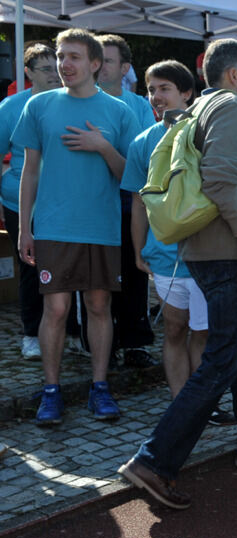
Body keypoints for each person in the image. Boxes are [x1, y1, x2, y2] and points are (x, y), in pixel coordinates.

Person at [119, 38, 237, 510]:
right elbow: (219, 180)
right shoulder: (231, 108)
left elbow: (216, 179)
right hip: (227, 254)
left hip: (209, 251)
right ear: (235, 74)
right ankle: (153, 462)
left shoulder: (202, 106)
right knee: (221, 360)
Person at [15, 28, 141, 426]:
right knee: (55, 308)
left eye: (72, 57)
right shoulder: (39, 106)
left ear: (95, 64)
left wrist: (102, 146)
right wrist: (24, 228)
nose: (63, 64)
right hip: (53, 226)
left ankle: (99, 387)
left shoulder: (119, 111)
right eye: (59, 56)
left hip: (101, 226)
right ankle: (51, 392)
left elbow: (131, 176)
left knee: (100, 306)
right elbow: (29, 172)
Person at [120, 59, 231, 426]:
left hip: (204, 257)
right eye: (151, 89)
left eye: (164, 88)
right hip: (164, 259)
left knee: (202, 334)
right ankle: (180, 405)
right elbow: (138, 201)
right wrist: (138, 251)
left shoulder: (206, 135)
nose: (156, 96)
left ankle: (203, 405)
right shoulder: (142, 142)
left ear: (187, 93)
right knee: (173, 329)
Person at [96, 34, 157, 369]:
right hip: (93, 209)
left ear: (125, 67)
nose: (100, 66)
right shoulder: (81, 101)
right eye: (98, 59)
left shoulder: (137, 106)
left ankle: (135, 342)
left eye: (107, 60)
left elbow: (146, 156)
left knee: (134, 275)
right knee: (99, 280)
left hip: (130, 205)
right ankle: (101, 344)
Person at [0, 43, 61, 361]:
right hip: (20, 200)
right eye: (46, 68)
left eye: (57, 66)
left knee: (63, 266)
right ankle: (31, 334)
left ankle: (70, 331)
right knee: (30, 266)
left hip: (62, 199)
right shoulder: (11, 107)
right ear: (28, 73)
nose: (55, 73)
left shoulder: (69, 102)